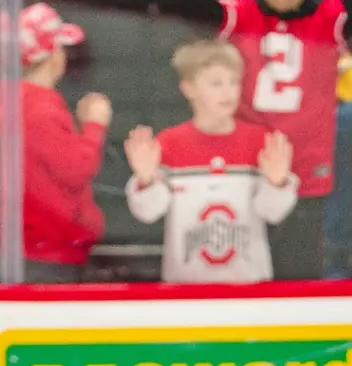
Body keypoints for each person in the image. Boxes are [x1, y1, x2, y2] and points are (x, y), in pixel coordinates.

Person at [195, 0, 349, 280]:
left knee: (299, 277)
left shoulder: (331, 16)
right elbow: (186, 11)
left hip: (305, 170)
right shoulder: (238, 13)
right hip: (242, 167)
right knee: (235, 273)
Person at [125, 41, 299, 282]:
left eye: (234, 82)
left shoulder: (261, 142)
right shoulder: (168, 144)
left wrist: (277, 183)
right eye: (216, 83)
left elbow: (272, 213)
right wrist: (146, 180)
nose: (228, 92)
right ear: (189, 88)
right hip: (185, 288)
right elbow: (149, 213)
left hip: (249, 288)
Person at [0, 3, 109, 283]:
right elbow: (76, 169)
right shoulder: (41, 112)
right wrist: (94, 125)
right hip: (53, 252)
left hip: (36, 248)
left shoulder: (19, 105)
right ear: (54, 55)